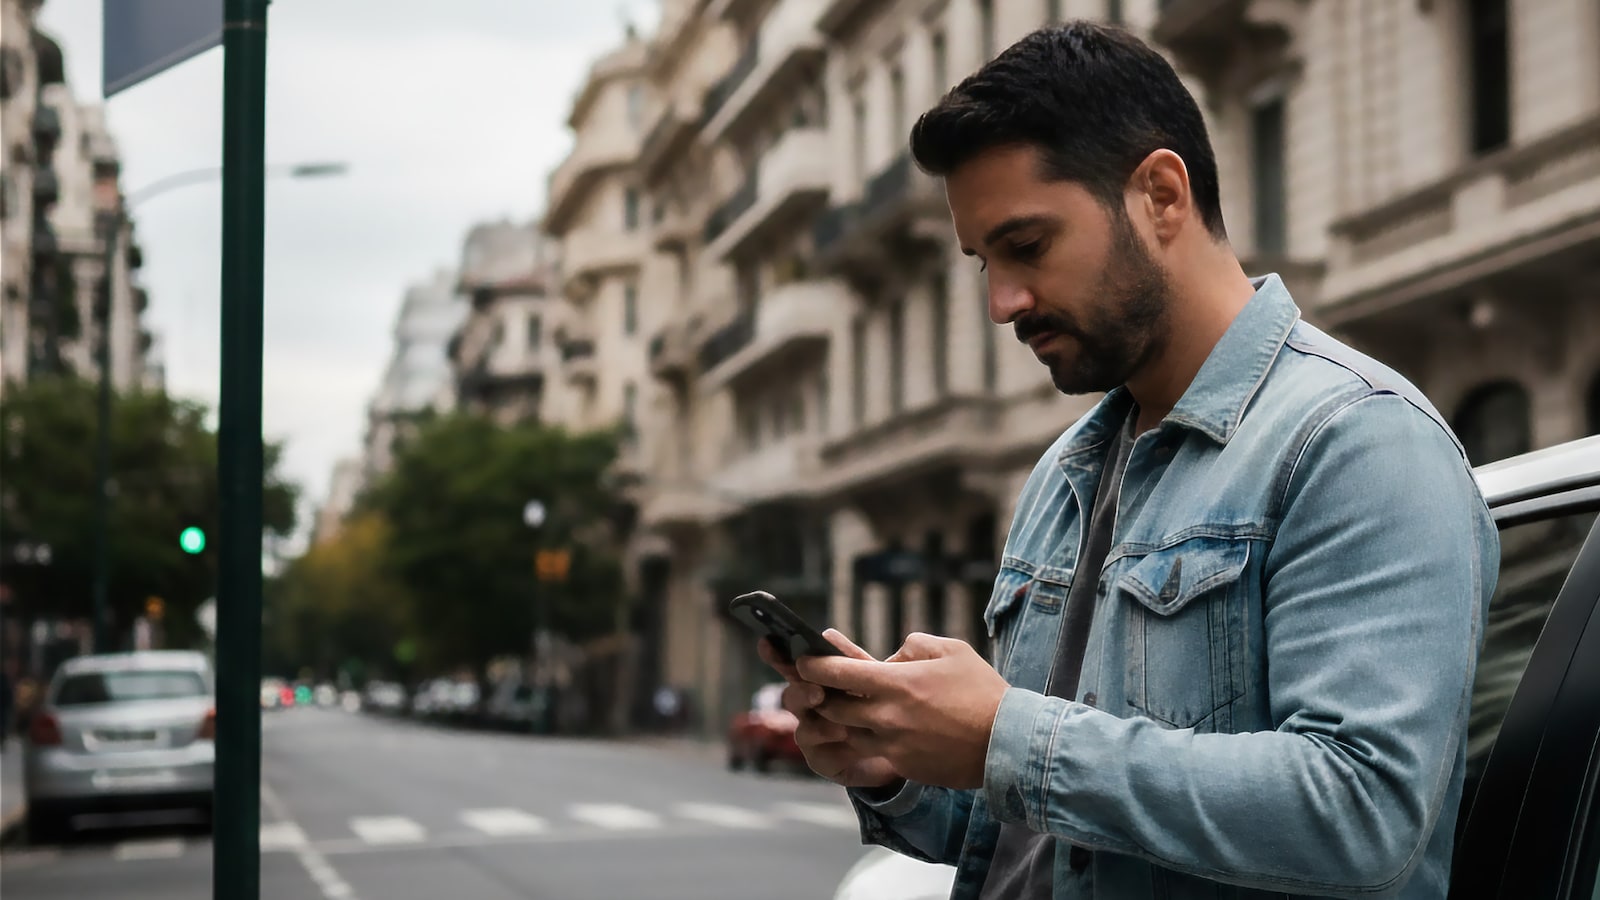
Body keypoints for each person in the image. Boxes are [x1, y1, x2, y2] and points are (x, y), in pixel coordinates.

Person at [757, 21, 1499, 900]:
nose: (1001, 302)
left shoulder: (1357, 442)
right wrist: (894, 762)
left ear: (1160, 194)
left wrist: (1005, 735)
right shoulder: (1061, 476)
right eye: (982, 262)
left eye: (1027, 247)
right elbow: (1034, 838)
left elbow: (1364, 815)